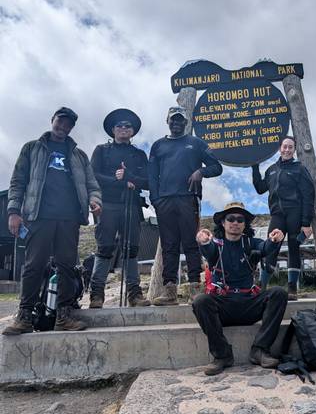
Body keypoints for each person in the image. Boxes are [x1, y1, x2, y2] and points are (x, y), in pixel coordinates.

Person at [3, 107, 102, 335]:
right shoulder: (32, 148)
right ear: (52, 121)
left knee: (67, 267)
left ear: (71, 128)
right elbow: (18, 181)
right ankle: (24, 317)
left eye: (68, 125)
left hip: (69, 219)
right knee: (33, 265)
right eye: (60, 122)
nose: (63, 127)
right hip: (39, 216)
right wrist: (13, 212)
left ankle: (64, 316)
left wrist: (95, 201)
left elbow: (92, 184)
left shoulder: (79, 155)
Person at [192, 202, 288, 376]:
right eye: (231, 218)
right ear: (223, 222)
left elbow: (265, 247)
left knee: (279, 293)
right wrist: (204, 242)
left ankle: (260, 350)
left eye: (240, 219)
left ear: (245, 224)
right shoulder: (217, 244)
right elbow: (209, 250)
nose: (235, 222)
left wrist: (275, 239)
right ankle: (222, 355)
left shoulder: (250, 242)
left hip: (248, 304)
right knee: (200, 301)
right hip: (224, 306)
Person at [148, 105, 223, 305]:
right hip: (164, 201)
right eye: (173, 119)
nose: (176, 123)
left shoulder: (196, 143)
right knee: (169, 246)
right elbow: (152, 176)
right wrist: (156, 200)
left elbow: (217, 167)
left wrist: (201, 172)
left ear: (186, 122)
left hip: (188, 199)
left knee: (191, 243)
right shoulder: (157, 146)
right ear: (167, 120)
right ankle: (169, 291)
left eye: (180, 120)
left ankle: (194, 289)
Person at [89, 109, 150, 308]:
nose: (124, 129)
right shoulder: (101, 150)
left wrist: (129, 177)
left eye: (128, 126)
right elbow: (93, 175)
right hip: (107, 205)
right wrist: (118, 181)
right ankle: (96, 295)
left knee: (131, 249)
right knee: (104, 247)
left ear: (132, 131)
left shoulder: (139, 155)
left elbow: (148, 181)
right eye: (119, 126)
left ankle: (135, 295)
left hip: (131, 205)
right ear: (113, 130)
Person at [252, 136, 314, 300]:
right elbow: (260, 188)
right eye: (284, 147)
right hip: (277, 215)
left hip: (295, 213)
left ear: (294, 150)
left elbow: (309, 195)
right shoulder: (271, 169)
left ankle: (292, 289)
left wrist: (306, 222)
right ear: (279, 148)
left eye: (290, 147)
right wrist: (254, 167)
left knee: (294, 249)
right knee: (271, 248)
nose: (287, 150)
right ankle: (261, 287)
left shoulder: (299, 168)